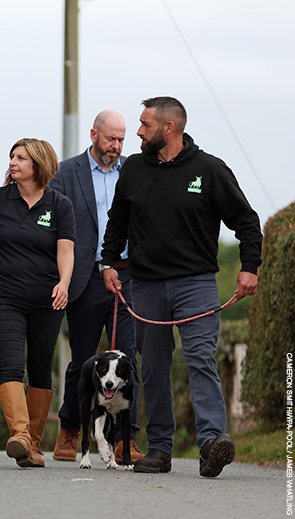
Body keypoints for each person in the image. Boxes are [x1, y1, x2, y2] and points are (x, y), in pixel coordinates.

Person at [101, 97, 262, 477]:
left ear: (169, 129)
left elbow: (247, 222)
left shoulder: (210, 170)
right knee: (153, 367)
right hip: (145, 286)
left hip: (196, 285)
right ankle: (160, 449)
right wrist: (107, 263)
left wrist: (249, 268)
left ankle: (211, 443)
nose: (138, 132)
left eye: (144, 125)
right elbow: (117, 222)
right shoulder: (134, 169)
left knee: (201, 361)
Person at [49, 110, 144, 464]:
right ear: (93, 135)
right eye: (110, 139)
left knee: (128, 362)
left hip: (126, 276)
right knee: (83, 361)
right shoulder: (65, 172)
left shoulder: (134, 172)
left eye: (121, 140)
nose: (116, 146)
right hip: (85, 277)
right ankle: (70, 427)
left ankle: (126, 439)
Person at [0, 138, 75, 468]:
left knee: (41, 370)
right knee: (12, 362)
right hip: (5, 296)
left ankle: (32, 445)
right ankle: (19, 434)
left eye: (21, 158)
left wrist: (63, 282)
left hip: (47, 298)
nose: (13, 162)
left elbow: (65, 250)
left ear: (39, 164)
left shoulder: (59, 205)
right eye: (12, 157)